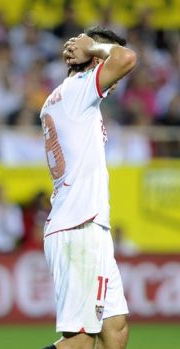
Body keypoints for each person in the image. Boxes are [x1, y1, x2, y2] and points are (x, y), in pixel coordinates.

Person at [40, 27, 136, 349]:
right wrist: (94, 46)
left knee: (116, 328)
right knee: (81, 341)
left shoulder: (62, 98)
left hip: (89, 225)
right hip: (80, 227)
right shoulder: (79, 90)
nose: (117, 78)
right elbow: (127, 58)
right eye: (103, 54)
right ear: (94, 58)